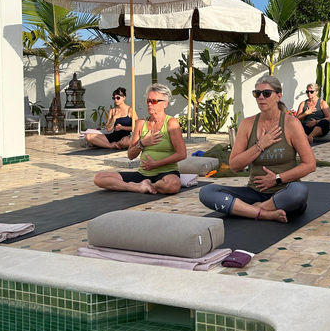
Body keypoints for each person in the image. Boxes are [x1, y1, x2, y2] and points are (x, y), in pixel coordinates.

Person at [198, 76, 316, 222]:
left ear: (278, 96)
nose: (261, 97)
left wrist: (277, 179)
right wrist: (260, 146)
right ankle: (265, 213)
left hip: (285, 193)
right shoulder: (247, 124)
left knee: (299, 191)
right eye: (257, 93)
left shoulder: (291, 124)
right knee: (207, 192)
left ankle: (252, 209)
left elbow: (310, 164)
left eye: (266, 93)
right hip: (254, 192)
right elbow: (234, 165)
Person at [92, 84, 186, 194]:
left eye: (154, 101)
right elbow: (131, 155)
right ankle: (137, 187)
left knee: (173, 184)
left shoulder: (171, 123)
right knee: (99, 178)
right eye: (148, 101)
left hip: (166, 173)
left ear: (165, 104)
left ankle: (150, 185)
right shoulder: (141, 123)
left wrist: (156, 164)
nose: (150, 104)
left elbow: (182, 154)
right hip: (143, 173)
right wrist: (142, 143)